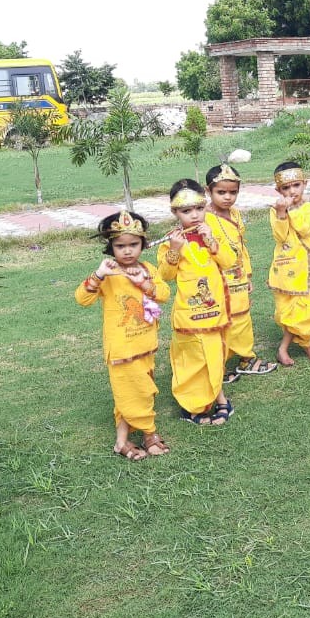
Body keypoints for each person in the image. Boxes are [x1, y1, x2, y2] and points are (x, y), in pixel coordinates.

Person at [75, 211, 172, 460]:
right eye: (120, 246)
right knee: (133, 392)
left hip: (146, 344)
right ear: (111, 247)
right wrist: (98, 275)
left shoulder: (148, 268)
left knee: (137, 392)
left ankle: (121, 442)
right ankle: (150, 432)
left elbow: (163, 293)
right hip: (121, 349)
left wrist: (145, 284)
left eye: (133, 245)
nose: (127, 251)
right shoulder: (109, 272)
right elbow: (82, 299)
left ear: (143, 244)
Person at [157, 180, 236, 426]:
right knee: (192, 360)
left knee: (215, 356)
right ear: (175, 212)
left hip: (214, 309)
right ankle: (191, 404)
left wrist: (212, 242)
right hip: (189, 314)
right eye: (186, 211)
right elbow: (165, 276)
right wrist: (174, 250)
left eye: (199, 208)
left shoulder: (211, 231)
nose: (194, 215)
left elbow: (229, 261)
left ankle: (219, 396)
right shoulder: (173, 240)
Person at [205, 163, 276, 383]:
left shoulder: (235, 214)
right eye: (221, 192)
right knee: (221, 320)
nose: (228, 197)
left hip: (237, 275)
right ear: (208, 191)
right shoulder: (204, 219)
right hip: (218, 279)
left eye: (233, 192)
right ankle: (221, 364)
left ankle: (246, 358)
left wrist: (247, 275)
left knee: (242, 316)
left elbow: (241, 246)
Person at [269, 161, 310, 365]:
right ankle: (287, 348)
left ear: (304, 184)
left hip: (309, 268)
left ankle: (305, 344)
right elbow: (280, 236)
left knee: (309, 310)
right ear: (278, 190)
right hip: (287, 268)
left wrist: (292, 211)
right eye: (286, 188)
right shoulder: (275, 209)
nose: (291, 191)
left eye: (296, 185)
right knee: (290, 312)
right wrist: (281, 214)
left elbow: (306, 229)